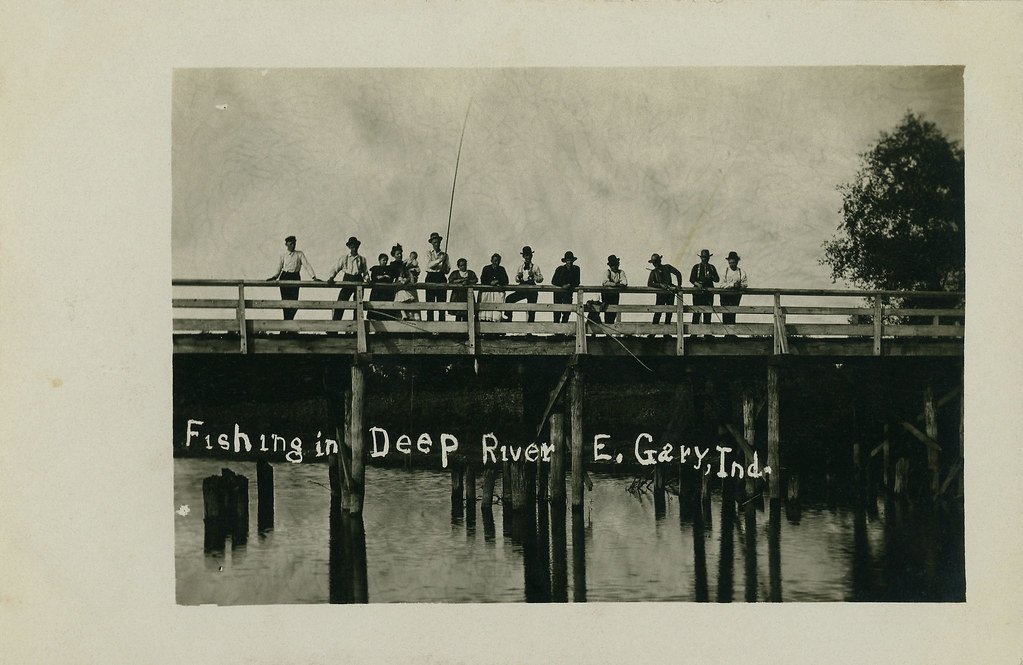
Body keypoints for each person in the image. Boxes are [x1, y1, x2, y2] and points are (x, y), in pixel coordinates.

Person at [268, 235, 319, 320]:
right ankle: (287, 323)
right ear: (286, 244)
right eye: (291, 244)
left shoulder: (299, 254)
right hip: (285, 277)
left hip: (295, 277)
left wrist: (313, 277)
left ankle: (288, 321)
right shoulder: (283, 255)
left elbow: (306, 265)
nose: (293, 245)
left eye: (294, 243)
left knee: (294, 302)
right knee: (285, 302)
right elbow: (279, 267)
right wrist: (274, 277)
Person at [326, 236, 369, 321]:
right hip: (347, 279)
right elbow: (335, 268)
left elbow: (365, 272)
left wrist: (367, 279)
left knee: (358, 303)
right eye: (352, 247)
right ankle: (335, 324)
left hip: (358, 280)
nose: (354, 249)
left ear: (358, 247)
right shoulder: (344, 258)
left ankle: (356, 325)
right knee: (341, 302)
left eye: (355, 247)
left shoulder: (362, 259)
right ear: (349, 247)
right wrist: (331, 277)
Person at [505, 246, 544, 322]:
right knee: (509, 299)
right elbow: (516, 280)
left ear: (531, 256)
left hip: (532, 290)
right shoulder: (520, 267)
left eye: (528, 255)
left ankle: (530, 327)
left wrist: (534, 276)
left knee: (531, 309)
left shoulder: (535, 267)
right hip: (522, 289)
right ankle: (508, 319)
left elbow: (541, 279)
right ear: (523, 256)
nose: (527, 257)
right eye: (526, 255)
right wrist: (519, 277)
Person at [647, 253, 683, 325]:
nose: (655, 264)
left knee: (669, 313)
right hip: (660, 295)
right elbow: (649, 283)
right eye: (653, 263)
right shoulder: (653, 272)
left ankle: (667, 330)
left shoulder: (667, 267)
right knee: (658, 312)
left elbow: (678, 273)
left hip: (670, 294)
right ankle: (654, 330)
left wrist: (679, 285)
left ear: (660, 261)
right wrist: (660, 285)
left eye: (656, 262)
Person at [423, 232, 450, 322]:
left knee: (441, 303)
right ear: (431, 243)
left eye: (438, 242)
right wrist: (440, 260)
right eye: (434, 242)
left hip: (441, 277)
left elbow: (447, 270)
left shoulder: (445, 254)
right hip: (431, 277)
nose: (436, 244)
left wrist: (444, 266)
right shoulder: (428, 253)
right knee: (430, 303)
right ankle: (430, 324)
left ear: (440, 242)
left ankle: (442, 324)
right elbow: (429, 265)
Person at [388, 244, 419, 321]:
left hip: (408, 283)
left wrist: (410, 275)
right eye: (397, 254)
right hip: (399, 284)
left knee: (412, 297)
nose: (400, 255)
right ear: (393, 255)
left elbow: (413, 272)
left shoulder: (405, 263)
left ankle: (415, 316)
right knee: (400, 296)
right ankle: (403, 316)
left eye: (401, 253)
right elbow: (392, 276)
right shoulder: (392, 265)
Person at [689, 249, 719, 325]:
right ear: (701, 257)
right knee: (696, 312)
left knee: (708, 313)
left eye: (706, 257)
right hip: (698, 293)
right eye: (703, 257)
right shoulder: (696, 267)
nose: (705, 259)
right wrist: (697, 284)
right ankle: (694, 331)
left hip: (709, 294)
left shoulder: (712, 267)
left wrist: (711, 276)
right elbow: (691, 279)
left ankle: (707, 331)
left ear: (709, 258)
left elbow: (717, 279)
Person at [551, 251, 580, 324]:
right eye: (568, 260)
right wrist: (562, 286)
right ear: (565, 261)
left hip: (568, 294)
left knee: (567, 313)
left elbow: (577, 281)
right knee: (557, 313)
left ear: (573, 261)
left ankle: (564, 329)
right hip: (558, 294)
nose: (569, 262)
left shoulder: (576, 269)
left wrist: (570, 285)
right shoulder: (559, 269)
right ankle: (556, 329)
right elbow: (553, 281)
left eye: (571, 260)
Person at [720, 251, 748, 326]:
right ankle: (726, 331)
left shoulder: (741, 272)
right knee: (725, 313)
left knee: (733, 313)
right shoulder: (725, 271)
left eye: (733, 262)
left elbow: (745, 284)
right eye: (730, 263)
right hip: (725, 296)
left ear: (737, 262)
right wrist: (732, 285)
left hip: (736, 296)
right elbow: (721, 285)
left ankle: (732, 332)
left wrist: (739, 286)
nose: (731, 264)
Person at [478, 253, 509, 322]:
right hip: (487, 292)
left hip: (497, 292)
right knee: (486, 308)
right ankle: (485, 322)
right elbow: (483, 279)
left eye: (498, 261)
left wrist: (498, 281)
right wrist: (490, 282)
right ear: (491, 260)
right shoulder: (486, 268)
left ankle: (496, 323)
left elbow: (506, 280)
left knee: (496, 309)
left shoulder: (501, 269)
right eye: (495, 261)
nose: (496, 263)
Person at [601, 255, 628, 325]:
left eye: (616, 265)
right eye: (613, 265)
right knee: (607, 313)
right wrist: (616, 284)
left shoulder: (620, 272)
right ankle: (608, 329)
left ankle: (611, 328)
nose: (615, 267)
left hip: (615, 295)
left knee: (614, 312)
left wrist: (616, 284)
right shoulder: (607, 272)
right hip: (607, 295)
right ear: (610, 266)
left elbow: (625, 282)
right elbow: (605, 282)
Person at [367, 253, 393, 321]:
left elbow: (390, 279)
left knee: (385, 311)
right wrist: (384, 276)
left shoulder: (389, 269)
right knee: (375, 310)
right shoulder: (375, 269)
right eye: (383, 260)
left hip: (385, 293)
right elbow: (374, 278)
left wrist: (380, 277)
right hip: (377, 293)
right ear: (379, 260)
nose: (385, 262)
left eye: (386, 260)